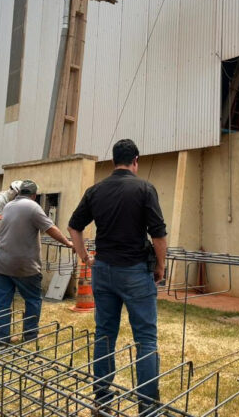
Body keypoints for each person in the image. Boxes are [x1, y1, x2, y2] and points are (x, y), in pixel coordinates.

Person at [69, 139, 168, 413]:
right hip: (135, 271)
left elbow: (74, 227)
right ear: (135, 160)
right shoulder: (145, 188)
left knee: (104, 334)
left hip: (103, 271)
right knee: (146, 339)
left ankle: (101, 399)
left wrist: (84, 258)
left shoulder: (95, 191)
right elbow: (158, 234)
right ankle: (147, 407)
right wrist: (160, 266)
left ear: (113, 161)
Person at [0, 180, 74, 344]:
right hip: (24, 265)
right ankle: (30, 335)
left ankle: (1, 338)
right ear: (34, 195)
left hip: (1, 262)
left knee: (2, 302)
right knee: (33, 300)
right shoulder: (33, 207)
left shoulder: (8, 206)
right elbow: (51, 229)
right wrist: (68, 243)